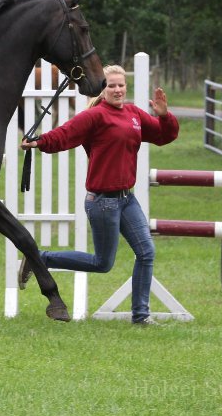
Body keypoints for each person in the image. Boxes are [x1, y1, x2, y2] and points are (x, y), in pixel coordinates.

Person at [19, 64, 179, 325]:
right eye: (111, 85)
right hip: (102, 201)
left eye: (121, 85)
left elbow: (164, 136)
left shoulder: (134, 114)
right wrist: (39, 142)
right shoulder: (95, 116)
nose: (117, 90)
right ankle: (40, 258)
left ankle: (141, 317)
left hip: (127, 199)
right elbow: (65, 134)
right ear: (102, 89)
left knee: (146, 252)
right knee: (102, 263)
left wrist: (164, 115)